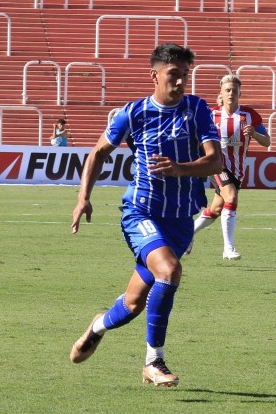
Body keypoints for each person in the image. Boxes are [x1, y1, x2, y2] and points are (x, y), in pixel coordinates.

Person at [69, 43, 223, 387]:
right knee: (170, 270)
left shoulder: (197, 110)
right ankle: (154, 361)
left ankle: (97, 326)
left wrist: (181, 168)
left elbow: (216, 161)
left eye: (185, 74)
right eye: (174, 74)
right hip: (141, 211)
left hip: (181, 219)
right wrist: (83, 198)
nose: (181, 81)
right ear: (154, 75)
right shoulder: (133, 113)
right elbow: (97, 152)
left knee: (134, 303)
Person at [188, 74, 271, 259]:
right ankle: (228, 248)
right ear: (221, 93)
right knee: (231, 197)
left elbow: (267, 141)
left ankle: (187, 235)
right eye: (227, 90)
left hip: (238, 170)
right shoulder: (211, 115)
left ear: (240, 92)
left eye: (234, 90)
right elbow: (196, 139)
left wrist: (255, 135)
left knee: (216, 210)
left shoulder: (250, 115)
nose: (231, 93)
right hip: (217, 165)